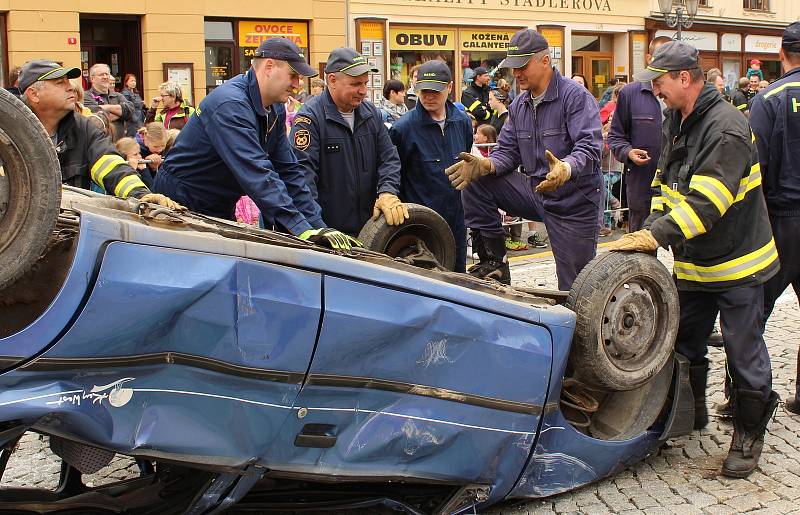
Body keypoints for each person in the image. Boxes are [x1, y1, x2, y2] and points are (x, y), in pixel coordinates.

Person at [608, 41, 780, 478]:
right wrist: (650, 221)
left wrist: (655, 234)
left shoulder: (726, 128)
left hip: (738, 264)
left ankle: (748, 435)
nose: (656, 91)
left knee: (744, 355)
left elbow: (707, 202)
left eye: (660, 82)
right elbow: (667, 181)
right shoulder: (678, 118)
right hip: (694, 263)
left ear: (684, 78)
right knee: (683, 341)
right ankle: (691, 412)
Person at [155, 39, 358, 250]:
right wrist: (299, 227)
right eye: (293, 76)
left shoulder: (274, 108)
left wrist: (317, 227)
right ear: (269, 67)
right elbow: (257, 172)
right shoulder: (230, 104)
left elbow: (288, 171)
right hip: (180, 202)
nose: (298, 85)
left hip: (217, 202)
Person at [447, 29, 603, 288]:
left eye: (522, 66)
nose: (516, 73)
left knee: (576, 289)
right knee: (476, 180)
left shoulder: (575, 96)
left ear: (545, 61)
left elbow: (590, 147)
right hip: (538, 191)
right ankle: (494, 263)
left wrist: (566, 168)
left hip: (575, 203)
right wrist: (487, 164)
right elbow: (507, 151)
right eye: (513, 67)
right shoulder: (519, 105)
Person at [17, 60, 179, 208]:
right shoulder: (9, 133)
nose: (71, 87)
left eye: (68, 81)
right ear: (34, 94)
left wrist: (142, 195)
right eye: (60, 83)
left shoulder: (83, 128)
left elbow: (111, 165)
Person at [290, 47, 406, 236]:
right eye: (355, 84)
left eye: (365, 84)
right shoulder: (309, 119)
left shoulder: (371, 114)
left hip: (369, 230)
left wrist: (387, 192)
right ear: (332, 80)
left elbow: (389, 159)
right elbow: (302, 180)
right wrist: (318, 230)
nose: (363, 91)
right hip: (328, 232)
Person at [749, 21, 800, 415]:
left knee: (753, 312)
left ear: (781, 54)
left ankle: (747, 400)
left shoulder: (769, 99)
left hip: (783, 218)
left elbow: (756, 168)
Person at [389, 60, 473, 272]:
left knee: (459, 280)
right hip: (421, 227)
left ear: (450, 88)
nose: (428, 96)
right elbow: (393, 176)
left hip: (455, 221)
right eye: (423, 91)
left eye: (435, 91)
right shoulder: (403, 129)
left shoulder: (462, 122)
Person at [607, 35, 671, 233]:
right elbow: (615, 137)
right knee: (641, 253)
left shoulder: (683, 95)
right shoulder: (630, 93)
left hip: (677, 188)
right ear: (648, 58)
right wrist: (628, 152)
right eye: (660, 57)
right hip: (642, 187)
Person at [83, 63, 134, 141]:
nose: (105, 77)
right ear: (92, 78)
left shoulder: (118, 96)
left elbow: (130, 111)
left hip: (120, 146)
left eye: (107, 74)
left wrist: (105, 107)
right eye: (101, 75)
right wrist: (120, 113)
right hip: (100, 146)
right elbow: (97, 118)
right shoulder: (85, 96)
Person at [135, 122, 168, 187]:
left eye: (163, 146)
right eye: (156, 146)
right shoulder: (136, 150)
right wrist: (145, 163)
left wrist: (155, 167)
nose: (160, 150)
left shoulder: (166, 148)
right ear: (146, 139)